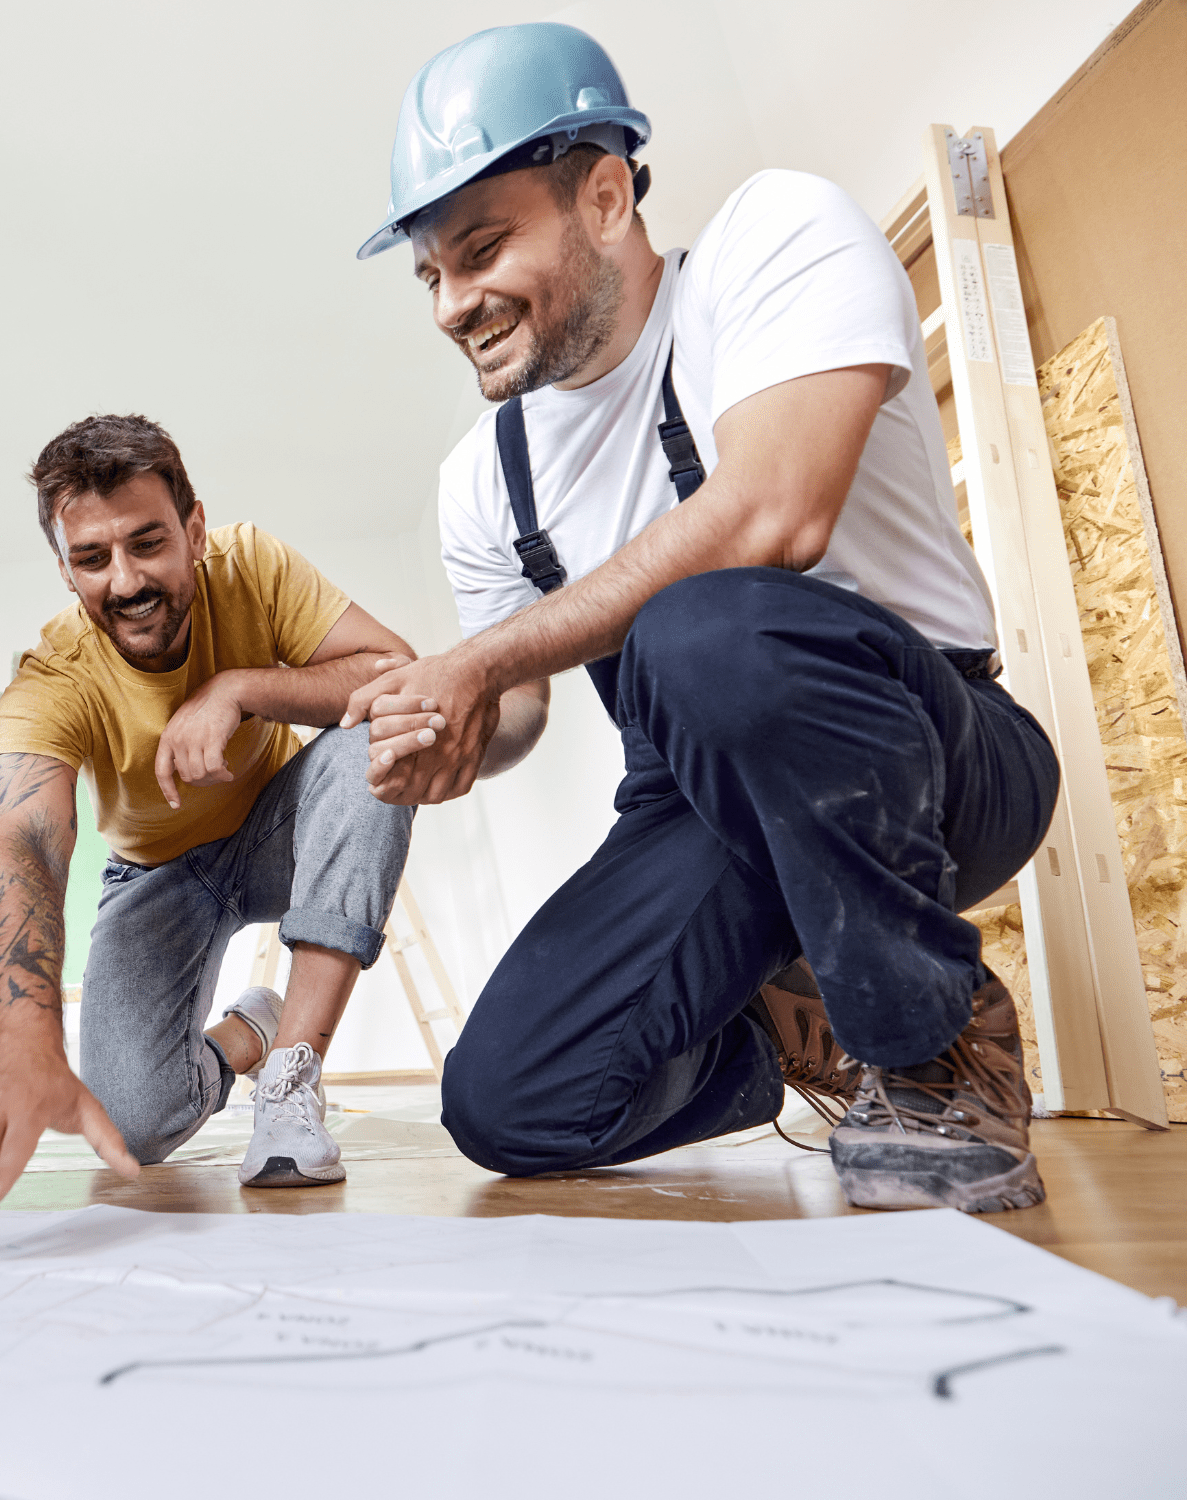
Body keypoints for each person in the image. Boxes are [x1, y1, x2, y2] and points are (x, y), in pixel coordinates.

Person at [343, 23, 1058, 1213]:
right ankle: (787, 1034)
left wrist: (484, 659)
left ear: (608, 194)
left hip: (937, 757)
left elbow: (774, 513)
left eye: (480, 250)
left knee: (704, 630)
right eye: (430, 274)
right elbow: (520, 705)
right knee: (509, 1100)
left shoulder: (774, 242)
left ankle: (934, 1051)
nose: (451, 305)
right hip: (699, 804)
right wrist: (461, 739)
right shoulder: (486, 477)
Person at [0, 414, 419, 1215]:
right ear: (66, 571)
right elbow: (23, 845)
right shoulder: (51, 677)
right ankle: (249, 1032)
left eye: (147, 543)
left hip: (279, 832)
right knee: (132, 1126)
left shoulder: (251, 564)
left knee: (379, 736)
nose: (126, 580)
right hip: (157, 875)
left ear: (195, 529)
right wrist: (22, 1040)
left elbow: (397, 671)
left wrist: (242, 689)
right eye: (91, 559)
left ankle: (289, 1080)